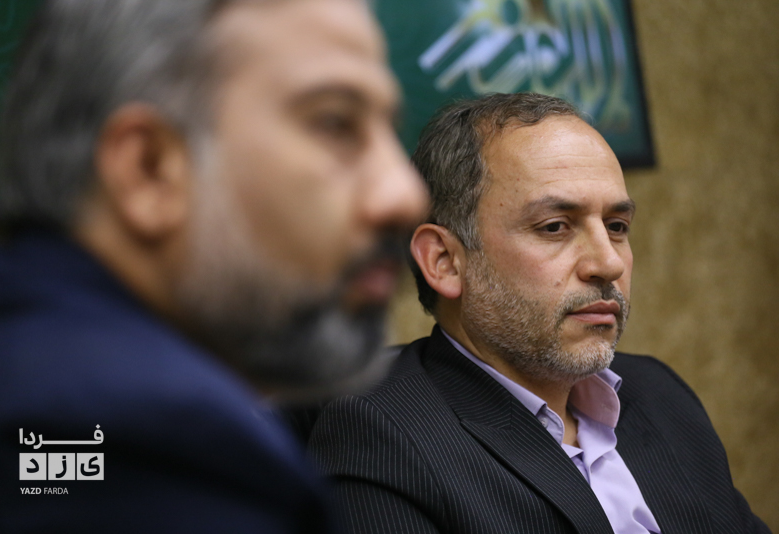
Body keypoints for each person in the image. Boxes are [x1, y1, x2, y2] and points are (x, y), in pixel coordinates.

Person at [0, 0, 426, 532]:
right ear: (149, 169)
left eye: (388, 131)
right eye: (334, 123)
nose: (405, 195)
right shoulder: (149, 443)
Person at [308, 93, 770, 534]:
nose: (608, 263)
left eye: (616, 226)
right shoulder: (382, 433)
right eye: (554, 227)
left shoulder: (659, 392)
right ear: (444, 261)